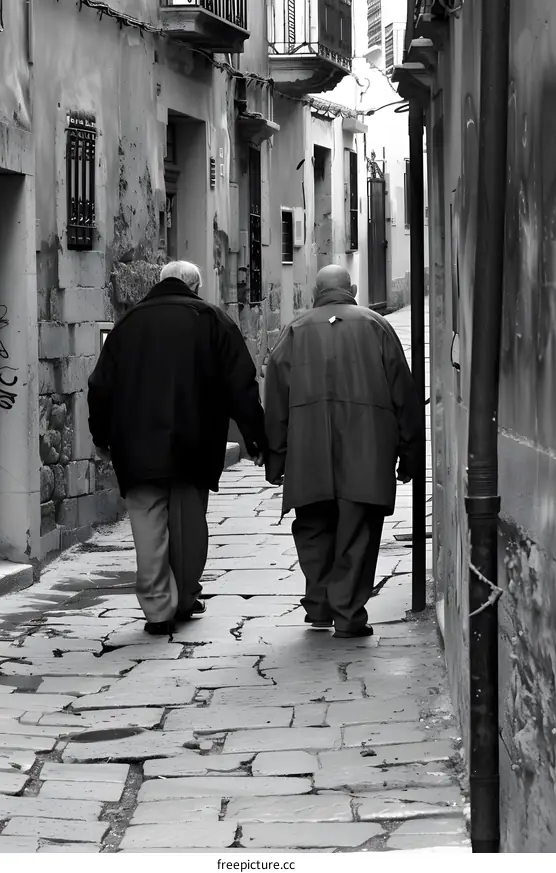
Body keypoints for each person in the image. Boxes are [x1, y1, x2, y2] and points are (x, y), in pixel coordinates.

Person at [88, 261, 266, 636]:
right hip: (194, 442)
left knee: (147, 526)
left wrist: (101, 436)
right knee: (187, 526)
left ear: (159, 282)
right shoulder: (211, 319)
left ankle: (157, 609)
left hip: (135, 446)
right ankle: (184, 596)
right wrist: (256, 437)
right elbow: (241, 383)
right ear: (195, 286)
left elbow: (100, 386)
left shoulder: (128, 324)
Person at [264, 265, 423, 639]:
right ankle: (348, 614)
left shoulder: (295, 331)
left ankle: (319, 605)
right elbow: (405, 395)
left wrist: (276, 456)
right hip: (366, 453)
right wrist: (410, 452)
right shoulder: (377, 327)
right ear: (352, 288)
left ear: (314, 291)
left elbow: (274, 401)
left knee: (313, 527)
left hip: (308, 455)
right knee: (357, 532)